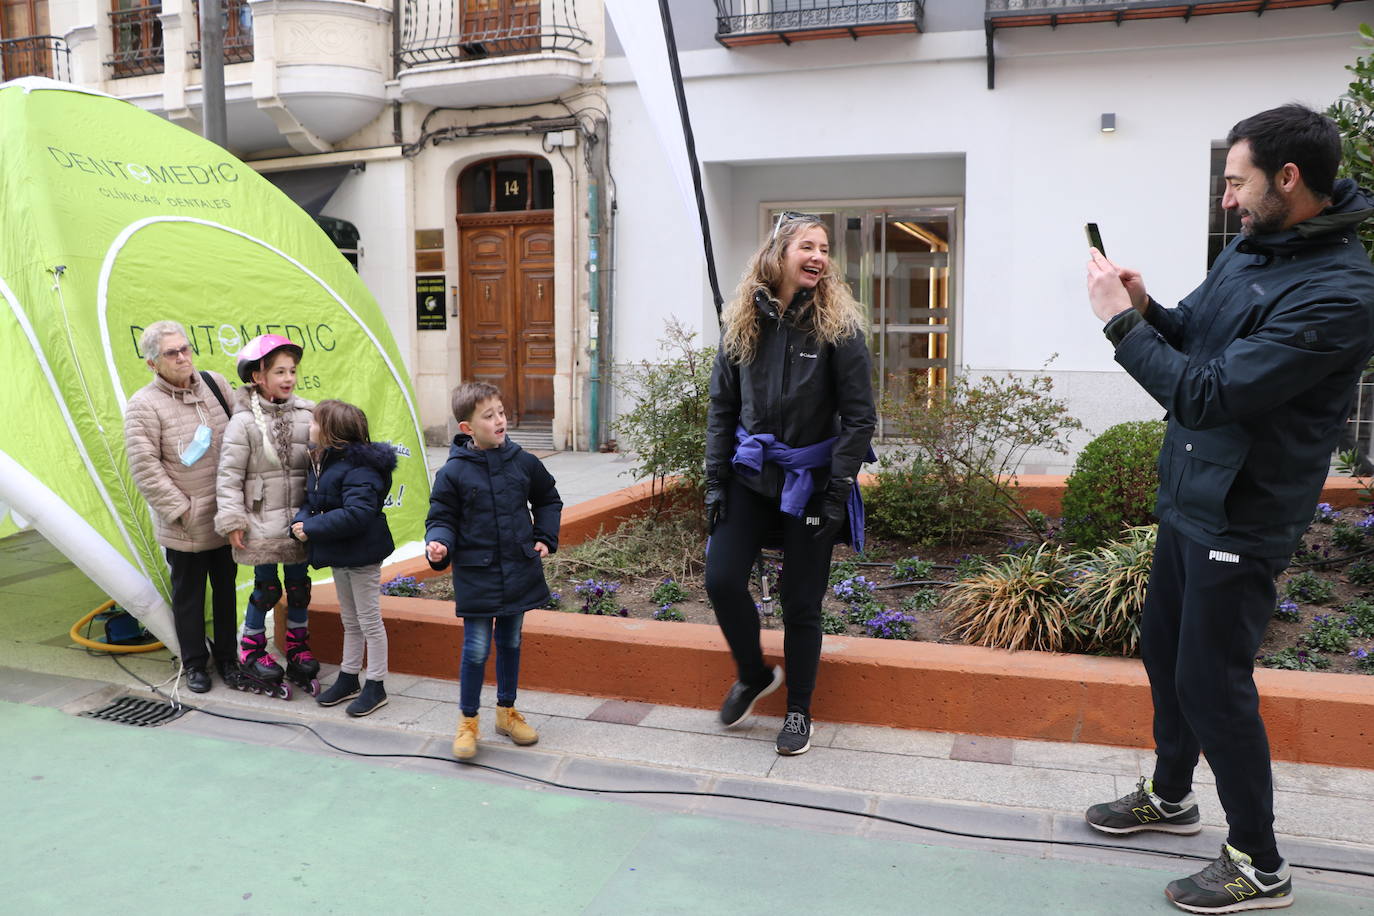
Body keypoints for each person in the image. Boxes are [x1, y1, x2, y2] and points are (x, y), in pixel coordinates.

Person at [1083, 104, 1374, 913]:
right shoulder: (1254, 247)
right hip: (1191, 496)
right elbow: (1198, 342)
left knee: (1214, 684)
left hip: (1244, 516)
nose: (1226, 200)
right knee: (1165, 654)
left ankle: (1259, 862)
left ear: (1287, 179)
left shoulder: (1341, 292)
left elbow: (1208, 396)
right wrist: (1147, 311)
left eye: (1235, 181)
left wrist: (1114, 326)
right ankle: (1172, 796)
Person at [704, 211, 876, 756]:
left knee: (802, 603)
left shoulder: (838, 330)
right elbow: (722, 408)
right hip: (749, 476)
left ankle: (799, 709)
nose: (819, 257)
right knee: (721, 579)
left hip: (810, 481)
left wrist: (836, 489)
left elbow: (860, 417)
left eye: (825, 248)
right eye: (808, 245)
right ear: (778, 255)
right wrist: (714, 482)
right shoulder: (742, 324)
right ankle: (753, 674)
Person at [425, 382, 562, 760]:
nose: (499, 420)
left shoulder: (524, 462)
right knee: (476, 649)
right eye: (489, 416)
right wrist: (438, 546)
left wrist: (545, 536)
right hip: (477, 575)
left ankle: (506, 712)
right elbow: (441, 519)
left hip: (518, 568)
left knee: (511, 642)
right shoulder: (452, 473)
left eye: (500, 411)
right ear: (467, 428)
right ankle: (468, 722)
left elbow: (548, 498)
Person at [123, 321, 238, 693]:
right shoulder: (143, 405)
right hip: (186, 524)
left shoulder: (216, 384)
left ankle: (228, 659)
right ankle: (194, 664)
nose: (183, 357)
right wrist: (183, 511)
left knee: (225, 591)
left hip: (227, 514)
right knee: (189, 597)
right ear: (153, 364)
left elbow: (242, 432)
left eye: (185, 349)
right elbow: (145, 468)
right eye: (172, 353)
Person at [215, 334, 317, 698]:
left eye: (292, 371)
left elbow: (323, 463)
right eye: (279, 371)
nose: (288, 378)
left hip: (299, 520)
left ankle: (296, 644)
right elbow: (228, 476)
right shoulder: (243, 423)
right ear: (258, 376)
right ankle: (252, 647)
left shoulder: (308, 414)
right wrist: (232, 520)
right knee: (266, 588)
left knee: (298, 589)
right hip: (261, 520)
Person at [290, 399, 395, 717]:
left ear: (331, 433)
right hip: (340, 552)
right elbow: (314, 500)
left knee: (369, 621)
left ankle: (376, 684)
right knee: (350, 619)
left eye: (315, 422)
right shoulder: (323, 460)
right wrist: (301, 519)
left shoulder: (359, 469)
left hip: (362, 555)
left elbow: (358, 513)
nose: (309, 426)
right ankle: (350, 677)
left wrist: (312, 526)